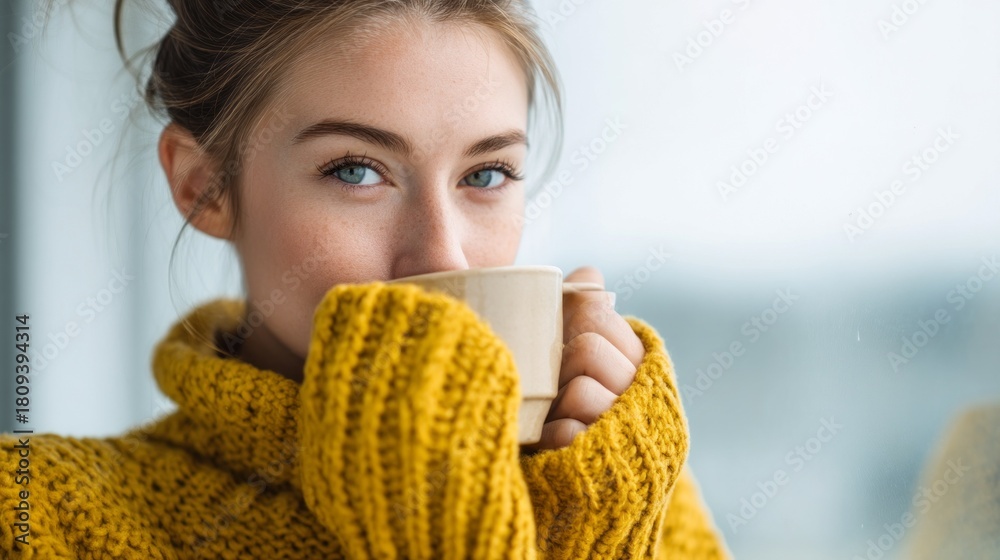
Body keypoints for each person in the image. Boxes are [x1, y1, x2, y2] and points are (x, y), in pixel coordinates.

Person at [0, 0, 730, 557]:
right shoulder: (36, 516)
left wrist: (588, 528)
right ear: (204, 187)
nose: (443, 257)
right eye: (356, 170)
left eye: (486, 174)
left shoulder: (633, 497)